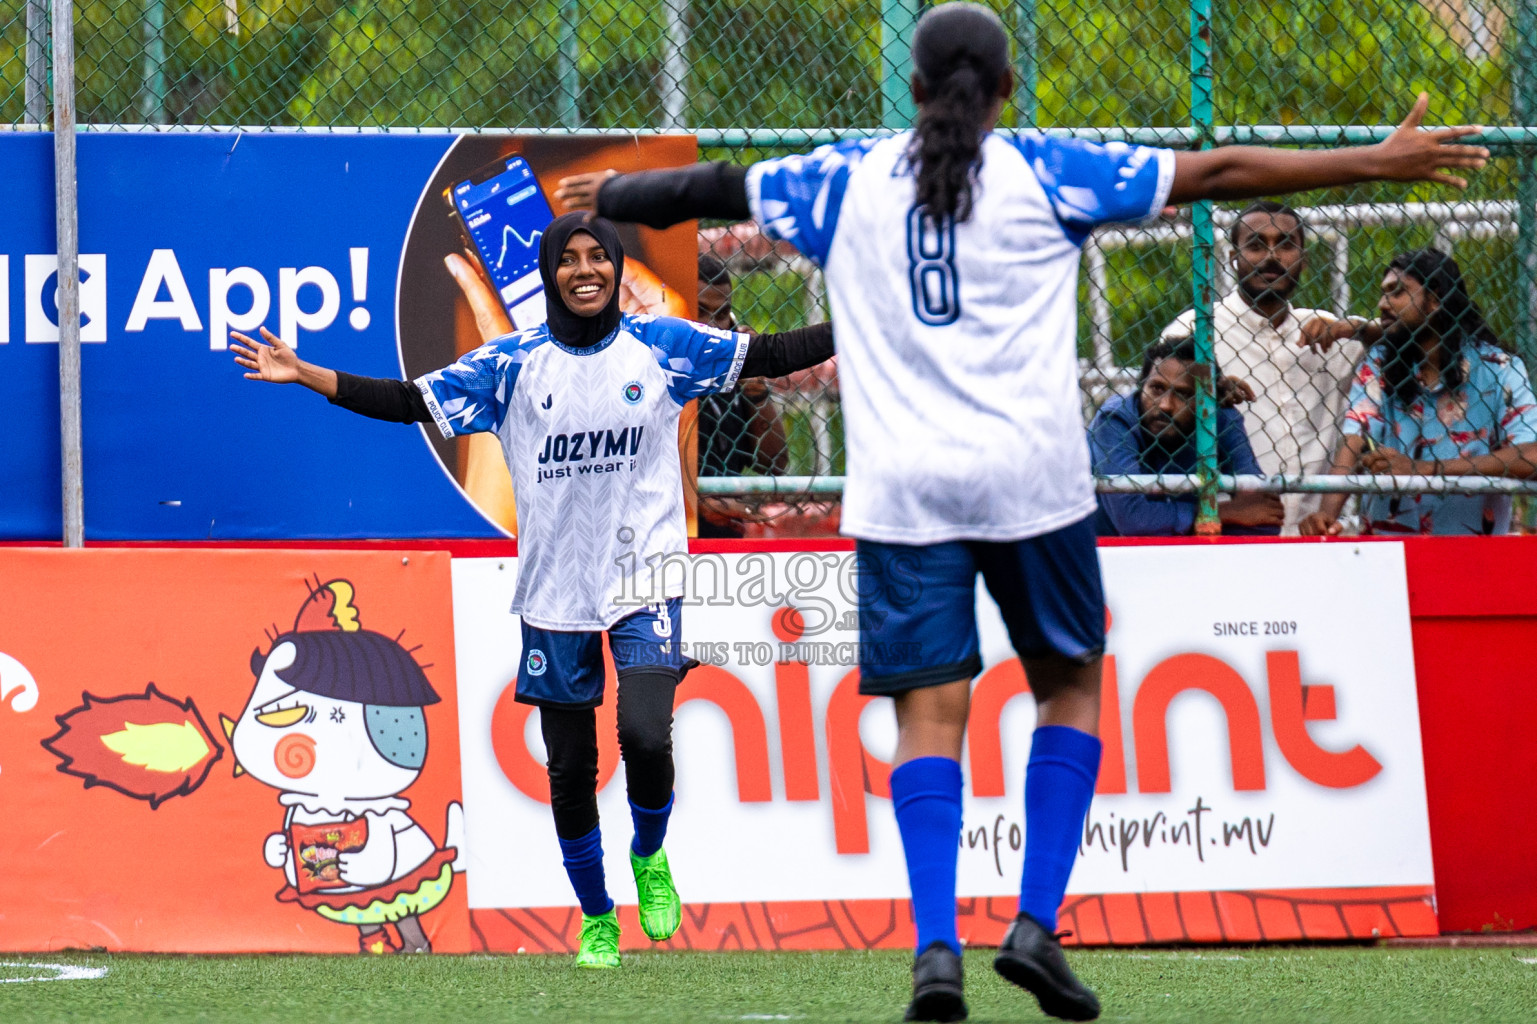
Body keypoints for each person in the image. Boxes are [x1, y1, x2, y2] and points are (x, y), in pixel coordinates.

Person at [555, 4, 1486, 1018]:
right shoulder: (1048, 169)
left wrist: (617, 192)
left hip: (904, 492)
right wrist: (1372, 161)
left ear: (913, 90)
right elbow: (1214, 174)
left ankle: (934, 949)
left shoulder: (842, 178)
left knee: (930, 709)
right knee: (1069, 685)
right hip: (1031, 484)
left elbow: (714, 186)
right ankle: (1035, 921)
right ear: (1005, 91)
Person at [230, 211, 835, 969]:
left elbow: (772, 352)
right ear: (549, 274)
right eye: (569, 259)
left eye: (599, 258)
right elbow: (410, 399)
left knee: (646, 733)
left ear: (616, 270)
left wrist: (865, 321)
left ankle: (648, 853)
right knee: (570, 767)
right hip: (555, 593)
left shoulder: (662, 345)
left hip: (646, 575)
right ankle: (595, 915)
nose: (586, 270)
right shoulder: (509, 365)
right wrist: (310, 374)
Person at [1159, 201, 1367, 533]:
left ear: (1304, 259)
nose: (1272, 256)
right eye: (1256, 245)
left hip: (1316, 534)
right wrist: (1207, 387)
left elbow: (1409, 338)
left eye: (1285, 244)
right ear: (1232, 257)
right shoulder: (1194, 331)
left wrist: (1357, 328)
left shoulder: (1331, 333)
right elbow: (1159, 410)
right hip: (1228, 535)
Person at [1300, 249, 1537, 536]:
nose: (1382, 304)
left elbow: (1531, 455)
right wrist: (1326, 515)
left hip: (1474, 556)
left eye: (1396, 293)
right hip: (1390, 558)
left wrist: (1423, 470)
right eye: (1383, 293)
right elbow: (1353, 440)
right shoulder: (1379, 364)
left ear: (1435, 300)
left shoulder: (1498, 369)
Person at [1089, 338, 1282, 536]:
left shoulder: (1219, 418)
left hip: (1189, 554)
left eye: (1182, 394)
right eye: (1156, 388)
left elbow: (1264, 516)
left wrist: (1177, 522)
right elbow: (1133, 520)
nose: (1165, 405)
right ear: (1141, 387)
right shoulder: (1115, 421)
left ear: (1204, 400)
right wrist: (1218, 514)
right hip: (1107, 551)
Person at [693, 252, 791, 538]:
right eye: (700, 311)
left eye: (722, 314)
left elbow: (773, 463)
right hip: (667, 539)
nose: (713, 326)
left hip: (725, 538)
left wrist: (756, 391)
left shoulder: (732, 362)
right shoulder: (654, 366)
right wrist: (700, 501)